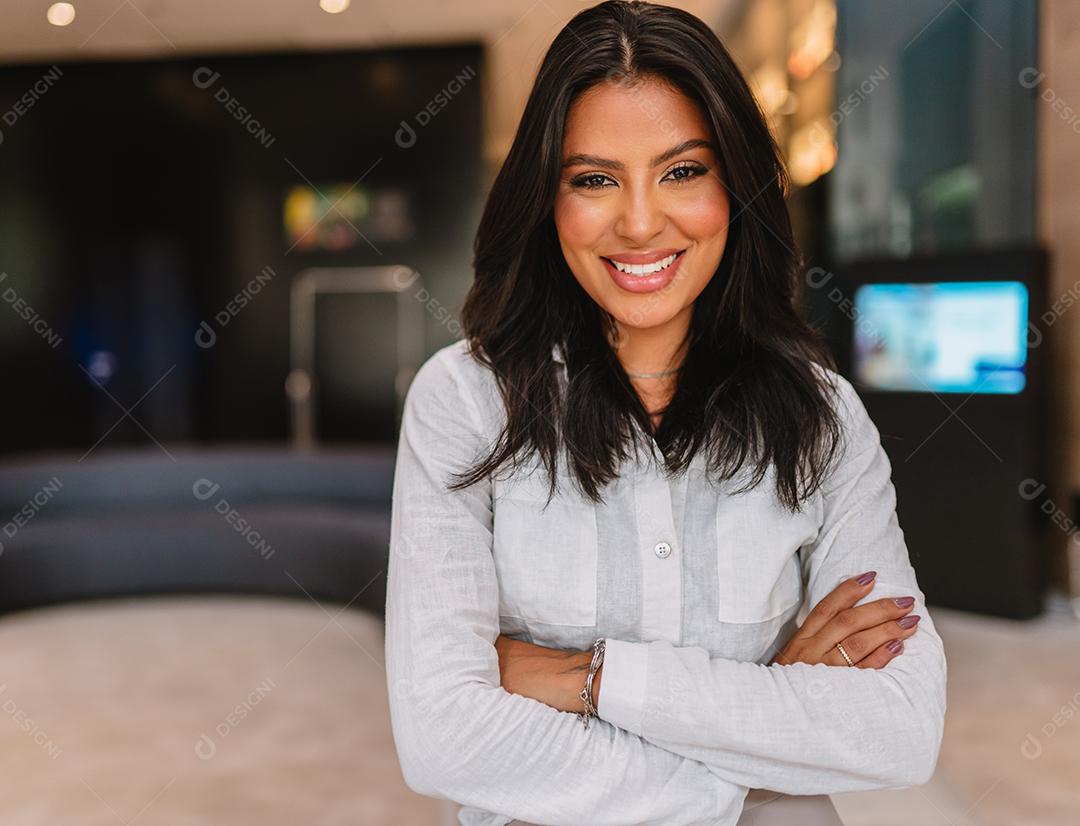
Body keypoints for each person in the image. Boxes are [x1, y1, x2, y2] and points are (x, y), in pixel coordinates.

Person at [384, 2, 947, 824]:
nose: (641, 222)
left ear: (737, 185)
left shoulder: (823, 417)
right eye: (594, 179)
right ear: (548, 198)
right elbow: (442, 738)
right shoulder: (465, 401)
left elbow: (900, 731)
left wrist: (591, 677)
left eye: (683, 171)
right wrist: (763, 734)